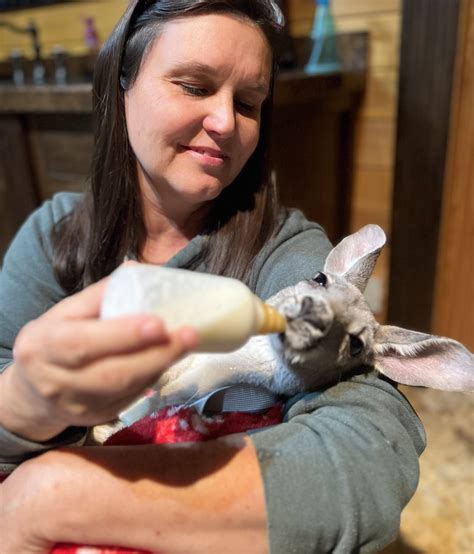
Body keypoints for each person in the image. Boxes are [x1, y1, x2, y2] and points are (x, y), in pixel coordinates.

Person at [0, 1, 426, 552]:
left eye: (248, 103)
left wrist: (52, 496)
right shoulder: (53, 235)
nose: (226, 123)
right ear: (121, 86)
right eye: (196, 87)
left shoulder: (284, 253)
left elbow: (372, 446)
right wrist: (28, 400)